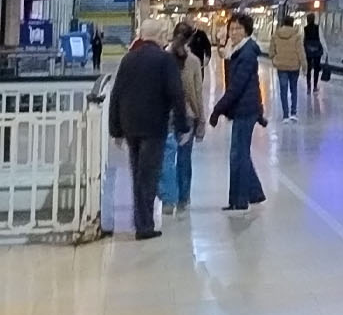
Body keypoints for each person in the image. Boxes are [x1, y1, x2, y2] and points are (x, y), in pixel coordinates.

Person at [108, 18, 189, 240]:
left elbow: (117, 94)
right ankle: (144, 226)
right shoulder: (165, 60)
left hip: (130, 125)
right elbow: (176, 94)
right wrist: (182, 126)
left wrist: (115, 129)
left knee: (137, 174)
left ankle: (141, 221)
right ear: (161, 35)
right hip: (154, 127)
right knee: (149, 176)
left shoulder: (128, 59)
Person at [209, 14, 267, 212]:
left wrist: (218, 109)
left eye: (238, 29)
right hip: (246, 108)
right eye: (231, 28)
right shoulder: (238, 51)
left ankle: (239, 200)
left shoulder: (247, 53)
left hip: (244, 109)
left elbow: (237, 87)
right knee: (241, 152)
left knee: (238, 154)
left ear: (247, 31)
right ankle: (254, 192)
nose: (233, 32)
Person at [159, 22, 205, 215]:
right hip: (188, 117)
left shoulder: (161, 58)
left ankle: (169, 198)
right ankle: (183, 199)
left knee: (167, 158)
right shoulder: (194, 61)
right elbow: (197, 92)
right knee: (185, 159)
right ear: (190, 40)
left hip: (166, 115)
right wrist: (201, 120)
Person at [271, 15, 305, 123]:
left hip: (281, 66)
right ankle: (293, 113)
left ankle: (285, 115)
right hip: (294, 66)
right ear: (292, 23)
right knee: (293, 88)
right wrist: (304, 65)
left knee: (283, 89)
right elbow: (301, 52)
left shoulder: (276, 34)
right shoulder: (297, 35)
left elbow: (271, 51)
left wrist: (275, 59)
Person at [303, 13, 326, 92]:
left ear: (307, 20)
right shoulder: (318, 27)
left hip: (308, 51)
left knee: (308, 68)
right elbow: (322, 39)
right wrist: (326, 51)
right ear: (314, 19)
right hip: (317, 51)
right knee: (316, 68)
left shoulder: (304, 28)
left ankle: (308, 87)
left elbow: (303, 40)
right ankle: (315, 86)